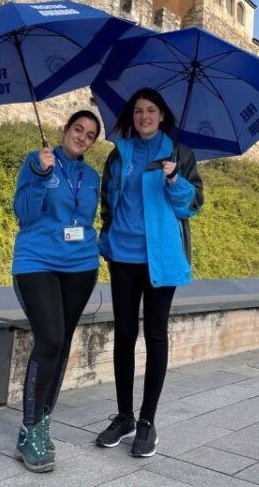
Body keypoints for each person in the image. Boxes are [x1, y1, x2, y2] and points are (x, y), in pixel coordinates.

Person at [95, 88, 204, 457]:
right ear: (131, 116)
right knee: (125, 334)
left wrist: (175, 180)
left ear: (162, 116)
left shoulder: (179, 155)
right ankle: (124, 416)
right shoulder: (118, 154)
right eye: (138, 110)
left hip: (162, 258)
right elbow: (108, 200)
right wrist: (106, 237)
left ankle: (147, 422)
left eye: (151, 110)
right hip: (123, 255)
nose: (144, 116)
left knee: (155, 336)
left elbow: (192, 206)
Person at [11, 110, 102, 473]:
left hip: (81, 267)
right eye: (77, 129)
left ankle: (43, 422)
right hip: (36, 263)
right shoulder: (37, 161)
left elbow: (92, 219)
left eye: (90, 135)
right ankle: (29, 429)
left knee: (62, 344)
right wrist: (41, 175)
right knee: (48, 340)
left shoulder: (91, 176)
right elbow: (24, 214)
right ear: (64, 130)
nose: (82, 137)